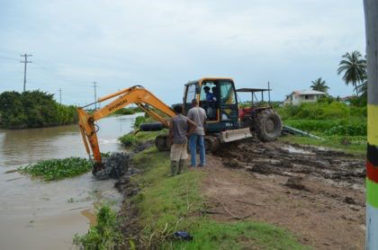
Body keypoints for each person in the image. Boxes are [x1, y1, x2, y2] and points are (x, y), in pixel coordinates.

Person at [169, 104, 197, 176]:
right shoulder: (185, 118)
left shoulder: (173, 119)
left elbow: (171, 131)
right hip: (184, 139)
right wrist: (188, 134)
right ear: (182, 111)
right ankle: (180, 171)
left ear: (174, 111)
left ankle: (173, 173)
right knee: (183, 154)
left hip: (176, 140)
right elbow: (194, 125)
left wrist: (170, 140)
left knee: (174, 156)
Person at [187, 99, 207, 167]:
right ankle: (203, 163)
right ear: (197, 103)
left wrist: (188, 131)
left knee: (193, 147)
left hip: (194, 131)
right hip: (201, 130)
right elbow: (204, 121)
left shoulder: (191, 110)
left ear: (192, 103)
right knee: (202, 147)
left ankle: (193, 163)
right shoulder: (203, 110)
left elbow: (188, 121)